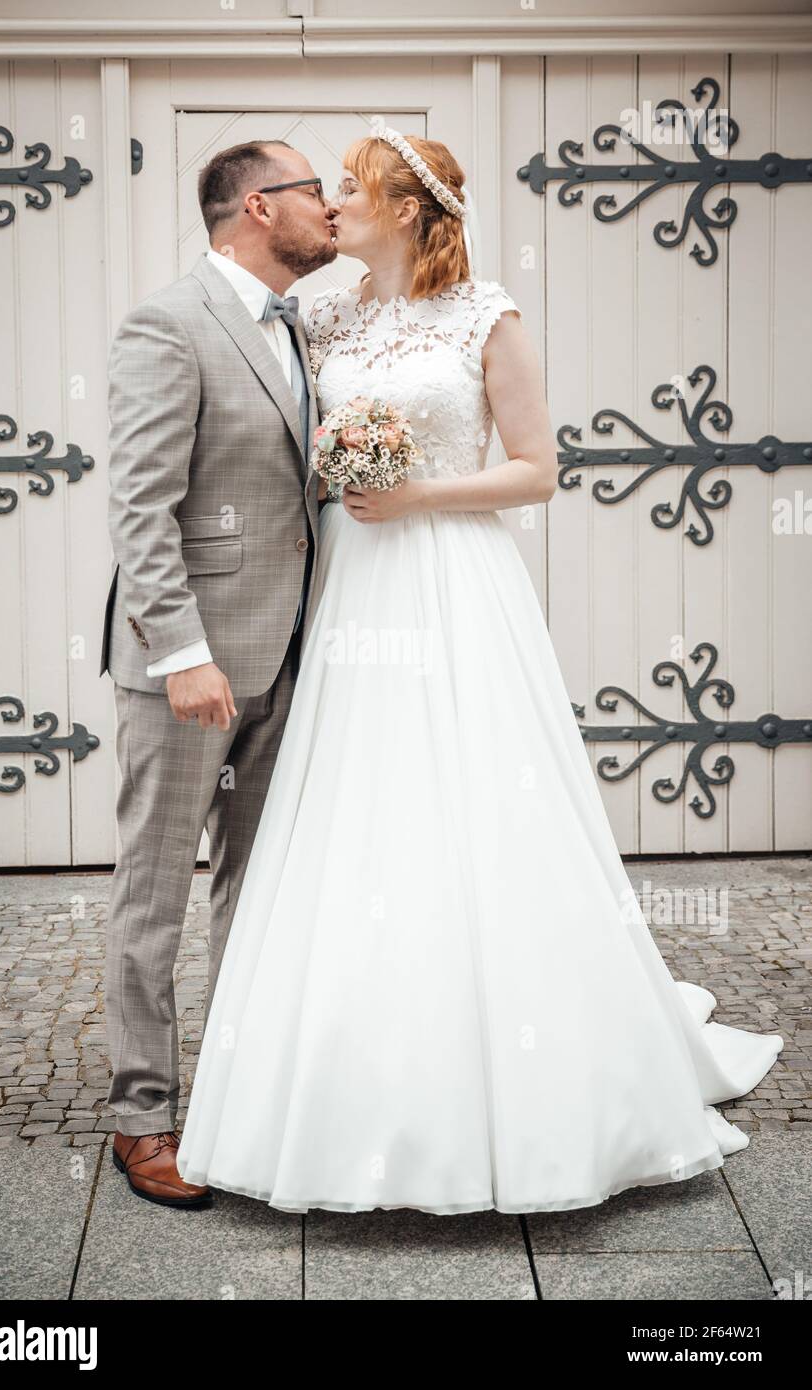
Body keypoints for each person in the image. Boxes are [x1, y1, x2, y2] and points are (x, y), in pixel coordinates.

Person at [175, 124, 783, 1215]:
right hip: (354, 587)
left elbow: (537, 471)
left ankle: (533, 1071)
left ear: (405, 211)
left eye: (350, 194)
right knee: (352, 808)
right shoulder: (323, 312)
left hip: (452, 584)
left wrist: (412, 496)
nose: (333, 209)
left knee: (476, 802)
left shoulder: (485, 314)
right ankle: (342, 1072)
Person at [99, 139, 337, 1207]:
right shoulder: (169, 321)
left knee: (257, 890)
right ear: (255, 207)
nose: (328, 210)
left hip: (288, 655)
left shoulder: (301, 330)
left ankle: (238, 1097)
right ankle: (141, 1117)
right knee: (153, 895)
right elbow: (141, 508)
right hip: (188, 672)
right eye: (311, 193)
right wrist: (181, 655)